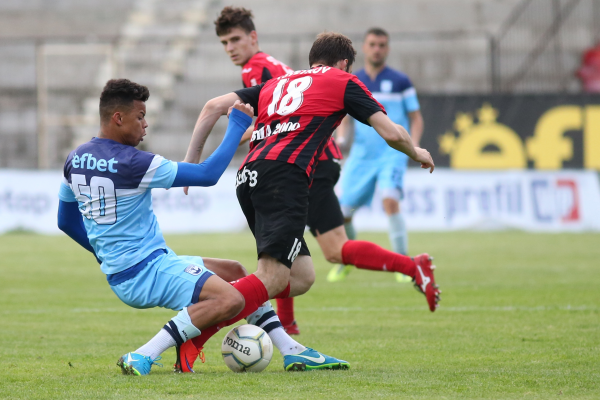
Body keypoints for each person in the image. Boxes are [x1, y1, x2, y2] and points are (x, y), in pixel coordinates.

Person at [181, 32, 441, 372]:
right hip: (286, 176)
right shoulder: (343, 81)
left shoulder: (279, 82)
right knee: (277, 276)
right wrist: (417, 152)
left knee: (301, 277)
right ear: (345, 63)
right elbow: (392, 132)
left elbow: (213, 107)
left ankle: (281, 335)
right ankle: (193, 330)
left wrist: (191, 165)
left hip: (249, 177)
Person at [57, 79, 344, 375]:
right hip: (146, 270)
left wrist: (104, 254)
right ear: (118, 118)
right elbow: (207, 175)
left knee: (235, 271)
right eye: (140, 117)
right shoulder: (134, 163)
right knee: (230, 298)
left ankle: (291, 350)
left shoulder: (75, 159)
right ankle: (143, 354)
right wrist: (237, 125)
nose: (145, 125)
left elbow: (65, 220)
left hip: (136, 267)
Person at [328, 28, 425, 283]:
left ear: (387, 49)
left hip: (392, 154)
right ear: (364, 47)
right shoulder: (353, 80)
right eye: (372, 44)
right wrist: (341, 139)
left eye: (382, 45)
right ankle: (348, 260)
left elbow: (416, 118)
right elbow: (345, 117)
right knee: (343, 212)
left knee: (390, 200)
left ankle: (404, 264)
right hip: (362, 156)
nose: (377, 49)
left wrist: (413, 147)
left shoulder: (400, 81)